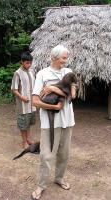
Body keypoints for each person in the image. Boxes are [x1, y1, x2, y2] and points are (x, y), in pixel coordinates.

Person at [31, 45, 77, 200]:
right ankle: (41, 185)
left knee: (64, 154)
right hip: (49, 122)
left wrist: (52, 88)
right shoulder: (42, 74)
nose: (66, 60)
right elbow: (35, 101)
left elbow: (72, 95)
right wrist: (54, 106)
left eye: (66, 57)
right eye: (64, 58)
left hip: (68, 121)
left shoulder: (69, 73)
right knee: (46, 155)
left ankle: (59, 178)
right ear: (54, 57)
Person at [11, 51, 36, 149]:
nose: (29, 65)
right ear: (22, 62)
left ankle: (28, 139)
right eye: (27, 63)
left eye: (30, 63)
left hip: (31, 104)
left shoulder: (32, 71)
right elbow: (14, 89)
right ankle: (24, 141)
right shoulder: (17, 73)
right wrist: (22, 97)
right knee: (22, 124)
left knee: (29, 122)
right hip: (22, 104)